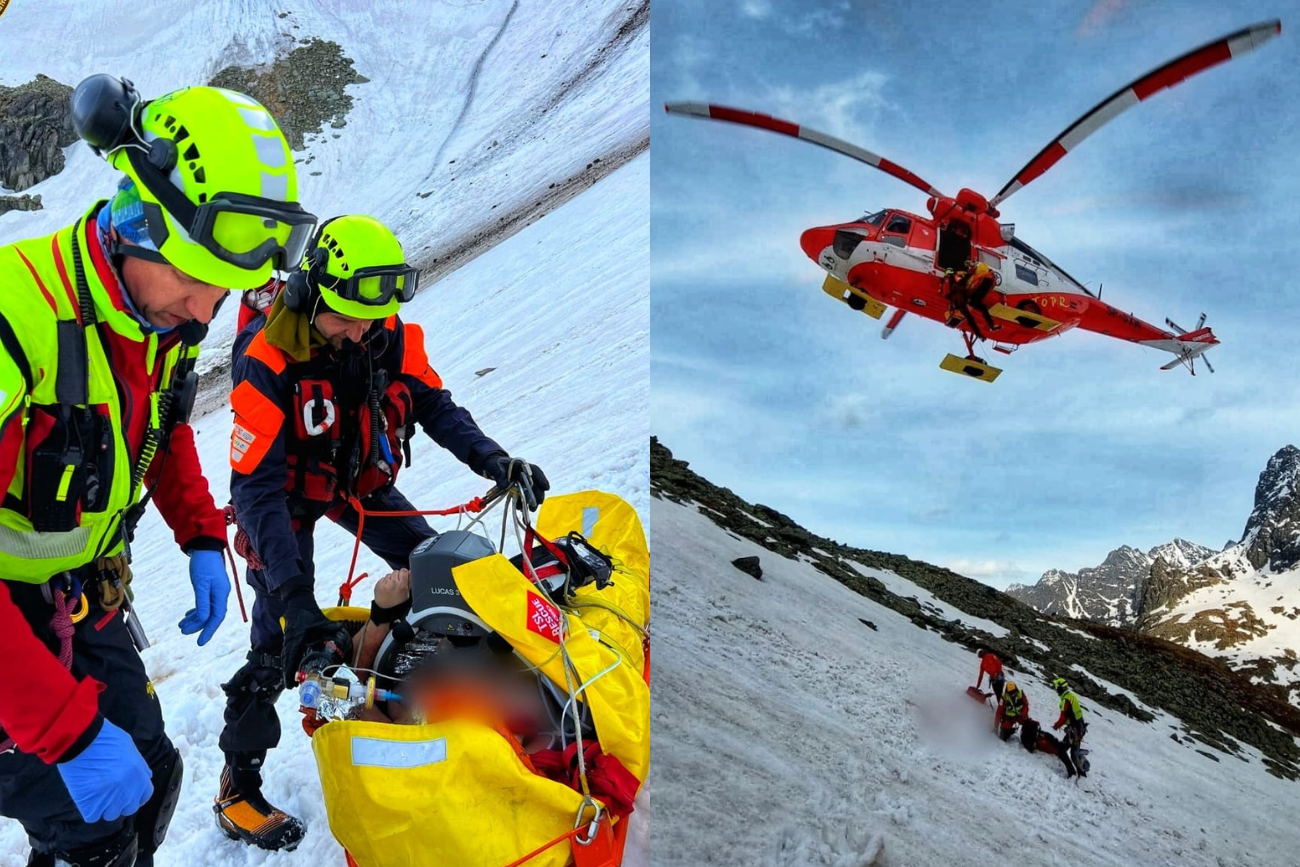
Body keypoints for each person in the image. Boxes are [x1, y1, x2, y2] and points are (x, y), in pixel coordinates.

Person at [0, 75, 311, 867]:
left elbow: (158, 425)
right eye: (197, 279)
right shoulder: (17, 319)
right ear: (137, 219)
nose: (208, 313)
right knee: (90, 830)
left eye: (225, 288)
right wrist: (62, 730)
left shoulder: (151, 313)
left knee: (154, 776)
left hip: (74, 596)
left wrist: (201, 533)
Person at [215, 214, 550, 851]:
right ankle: (238, 785)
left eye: (370, 319)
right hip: (282, 496)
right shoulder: (265, 360)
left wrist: (495, 460)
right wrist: (293, 598)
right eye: (344, 318)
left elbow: (433, 403)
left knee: (438, 570)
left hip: (356, 479)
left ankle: (425, 691)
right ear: (312, 293)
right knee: (278, 642)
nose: (361, 330)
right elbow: (254, 488)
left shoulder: (382, 327)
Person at [1051, 677, 1088, 778]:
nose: (1056, 690)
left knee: (1063, 751)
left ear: (1060, 688)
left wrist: (1056, 726)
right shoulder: (1071, 696)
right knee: (1073, 751)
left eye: (1056, 688)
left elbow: (1063, 717)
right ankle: (1082, 772)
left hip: (1074, 730)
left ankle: (1072, 772)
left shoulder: (1065, 700)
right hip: (1079, 728)